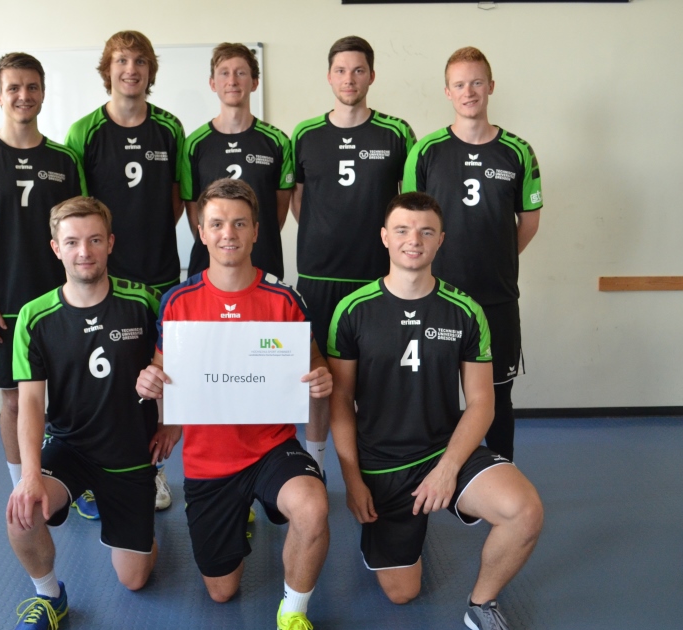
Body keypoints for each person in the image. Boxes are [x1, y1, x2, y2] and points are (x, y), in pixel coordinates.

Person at [327, 192, 544, 630]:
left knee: (524, 511)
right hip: (383, 462)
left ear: (441, 240)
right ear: (385, 237)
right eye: (403, 230)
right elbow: (339, 401)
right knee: (402, 593)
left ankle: (482, 605)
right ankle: (386, 535)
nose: (414, 240)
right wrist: (353, 479)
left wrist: (447, 469)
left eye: (426, 231)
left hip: (447, 450)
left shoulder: (464, 310)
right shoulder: (352, 309)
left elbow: (482, 402)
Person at [137, 179, 332, 630]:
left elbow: (314, 365)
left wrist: (320, 378)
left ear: (256, 231)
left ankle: (294, 616)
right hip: (209, 461)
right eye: (218, 223)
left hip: (271, 447)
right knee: (222, 592)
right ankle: (241, 511)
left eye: (240, 223)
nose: (229, 233)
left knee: (312, 507)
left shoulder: (284, 298)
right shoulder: (177, 301)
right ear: (201, 231)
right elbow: (163, 370)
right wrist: (151, 382)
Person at [6, 196, 179, 630]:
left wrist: (172, 423)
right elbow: (30, 404)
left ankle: (140, 525)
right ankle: (49, 596)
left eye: (95, 240)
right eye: (72, 242)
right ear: (56, 248)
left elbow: (174, 367)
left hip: (130, 454)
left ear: (110, 243)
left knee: (135, 580)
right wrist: (29, 476)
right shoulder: (34, 317)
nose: (84, 251)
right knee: (21, 514)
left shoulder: (144, 302)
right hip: (70, 449)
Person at [0, 52, 87, 490]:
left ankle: (75, 483)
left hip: (61, 304)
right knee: (14, 402)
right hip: (3, 306)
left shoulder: (65, 160)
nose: (23, 95)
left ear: (43, 93)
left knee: (71, 401)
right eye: (13, 87)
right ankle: (22, 488)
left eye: (32, 87)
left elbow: (82, 231)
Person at [403, 46, 542, 462]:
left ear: (491, 86)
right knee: (433, 396)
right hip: (437, 298)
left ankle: (499, 477)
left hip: (496, 298)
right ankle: (433, 476)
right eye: (460, 84)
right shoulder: (426, 151)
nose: (469, 91)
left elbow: (529, 221)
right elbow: (410, 223)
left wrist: (496, 258)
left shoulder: (517, 151)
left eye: (477, 82)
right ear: (448, 91)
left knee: (497, 397)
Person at [65, 30, 186, 513]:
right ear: (107, 69)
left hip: (158, 273)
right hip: (104, 280)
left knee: (156, 376)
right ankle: (95, 473)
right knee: (105, 377)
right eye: (120, 60)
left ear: (150, 70)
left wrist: (146, 233)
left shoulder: (170, 128)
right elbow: (78, 211)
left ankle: (153, 471)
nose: (130, 69)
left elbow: (177, 199)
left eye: (139, 61)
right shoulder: (84, 131)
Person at [290, 36, 415, 476]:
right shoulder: (305, 134)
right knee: (318, 379)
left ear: (372, 76)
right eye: (341, 70)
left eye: (358, 70)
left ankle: (379, 467)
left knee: (379, 380)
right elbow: (298, 200)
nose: (349, 79)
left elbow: (409, 205)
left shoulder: (396, 133)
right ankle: (316, 464)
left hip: (377, 279)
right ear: (329, 76)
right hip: (319, 279)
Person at [180, 42, 293, 280]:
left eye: (241, 73)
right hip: (208, 269)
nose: (232, 81)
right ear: (213, 83)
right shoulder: (194, 143)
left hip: (264, 263)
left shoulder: (278, 141)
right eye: (224, 73)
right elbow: (194, 213)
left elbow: (277, 214)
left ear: (254, 82)